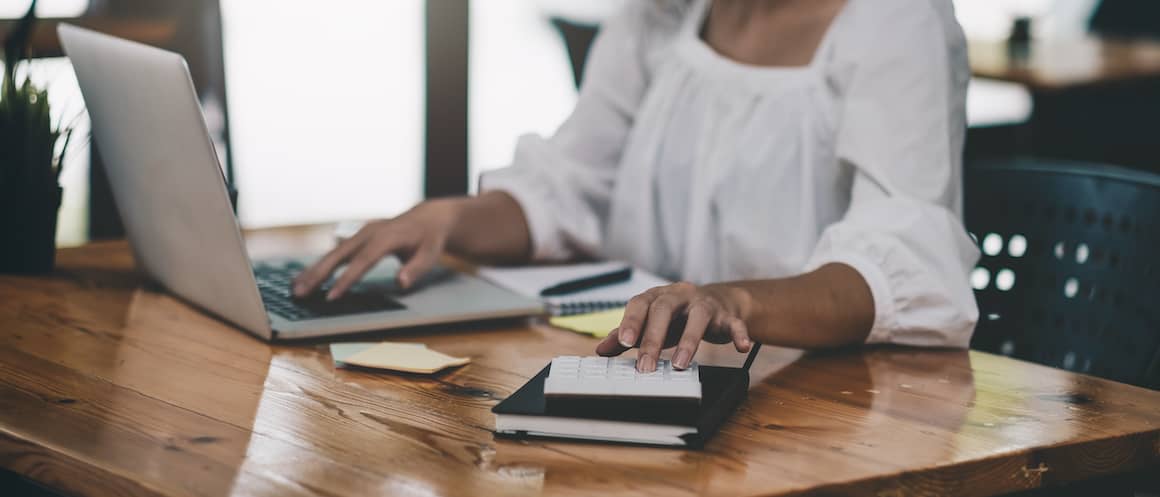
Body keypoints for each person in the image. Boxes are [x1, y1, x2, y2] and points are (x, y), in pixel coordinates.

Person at [294, 0, 980, 373]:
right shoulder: (664, 13)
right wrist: (448, 218)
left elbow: (900, 268)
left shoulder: (897, 21)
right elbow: (575, 183)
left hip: (819, 403)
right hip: (646, 374)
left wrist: (730, 298)